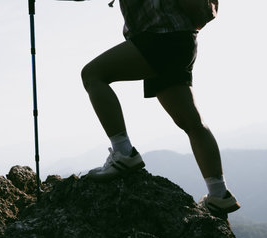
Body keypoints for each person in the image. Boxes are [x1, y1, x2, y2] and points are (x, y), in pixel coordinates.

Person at [81, 0, 240, 214]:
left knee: (93, 74)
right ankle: (219, 195)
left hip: (160, 37)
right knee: (191, 122)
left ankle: (124, 153)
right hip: (181, 39)